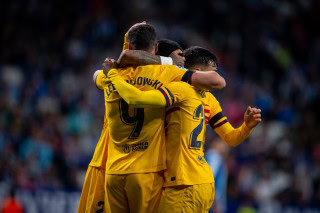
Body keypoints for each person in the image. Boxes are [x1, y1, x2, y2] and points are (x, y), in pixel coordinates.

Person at [105, 46, 261, 213]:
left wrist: (113, 74)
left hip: (183, 185)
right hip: (203, 183)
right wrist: (246, 127)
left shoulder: (181, 89)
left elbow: (136, 98)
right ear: (198, 71)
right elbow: (232, 138)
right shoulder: (210, 99)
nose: (215, 77)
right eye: (212, 72)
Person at [98, 24, 226, 213]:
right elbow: (218, 81)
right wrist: (168, 62)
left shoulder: (108, 74)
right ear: (156, 48)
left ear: (130, 47)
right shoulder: (169, 75)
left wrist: (116, 67)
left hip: (114, 172)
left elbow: (99, 73)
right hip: (146, 172)